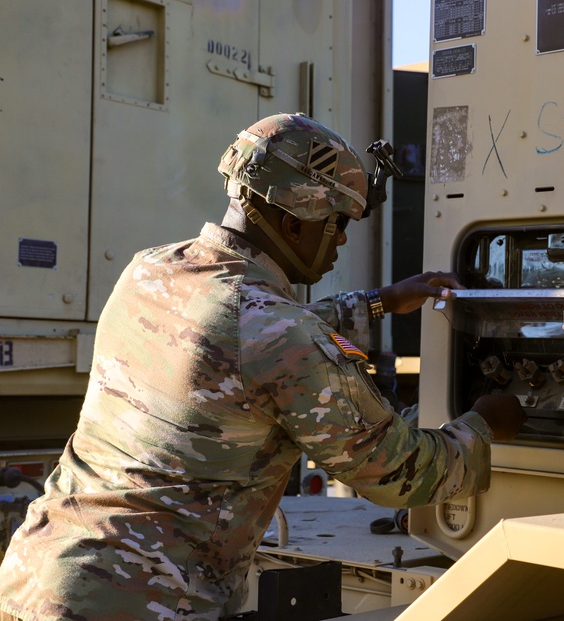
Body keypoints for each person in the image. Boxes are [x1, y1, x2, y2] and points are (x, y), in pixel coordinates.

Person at [0, 113, 526, 620]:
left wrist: (379, 301)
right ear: (291, 219)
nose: (342, 239)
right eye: (337, 222)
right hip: (138, 602)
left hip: (39, 572)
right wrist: (483, 422)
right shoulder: (277, 334)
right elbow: (398, 471)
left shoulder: (152, 269)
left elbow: (236, 343)